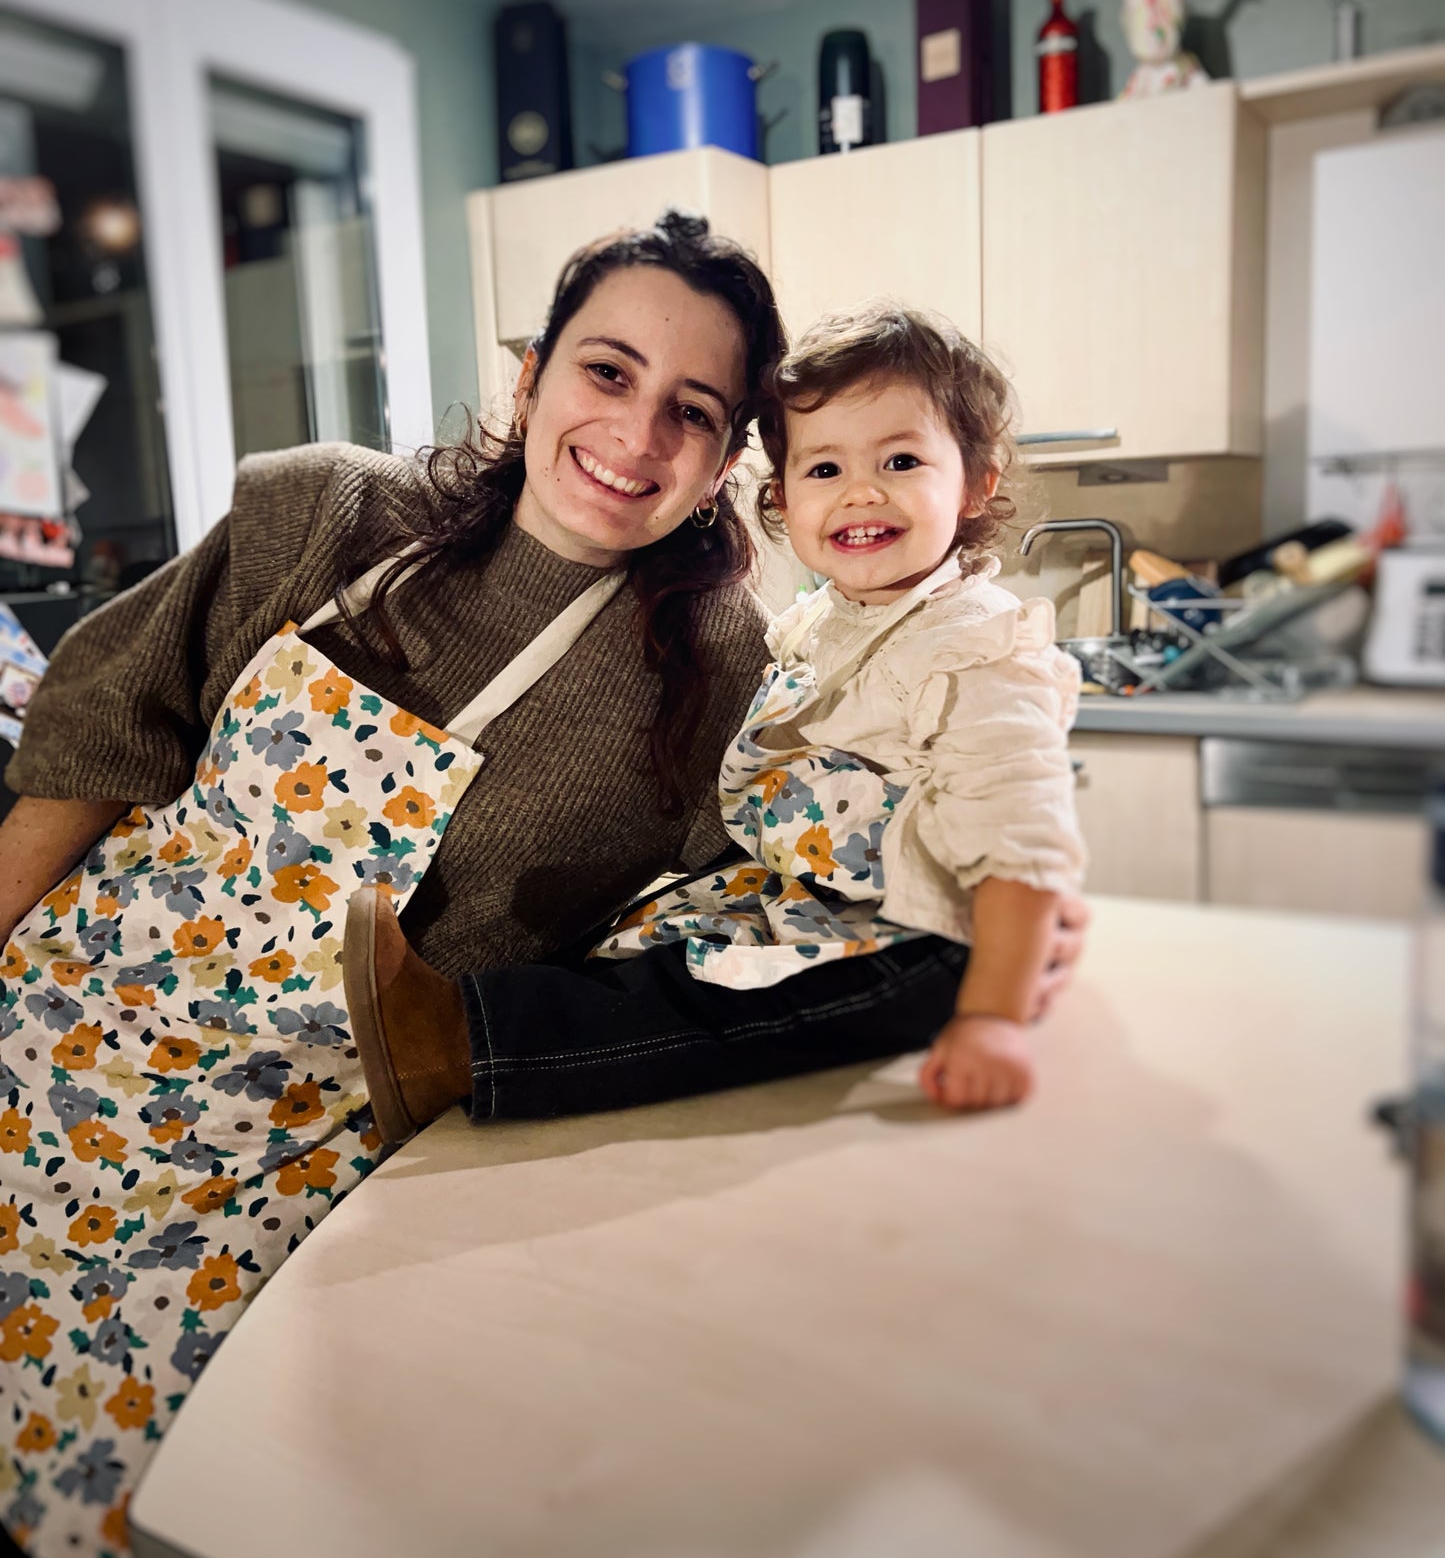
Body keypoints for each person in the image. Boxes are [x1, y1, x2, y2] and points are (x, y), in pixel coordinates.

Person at [0, 210, 786, 1558]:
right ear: (532, 372)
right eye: (606, 373)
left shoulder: (708, 666)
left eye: (693, 411)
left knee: (215, 1522)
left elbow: (713, 904)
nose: (636, 433)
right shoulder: (329, 513)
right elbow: (101, 730)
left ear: (725, 459)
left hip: (316, 1143)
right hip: (67, 1048)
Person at [346, 303, 1089, 1141]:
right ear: (778, 498)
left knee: (700, 1010)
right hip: (823, 905)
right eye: (822, 470)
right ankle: (472, 1026)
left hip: (924, 943)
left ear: (977, 481)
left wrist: (992, 1013)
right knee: (665, 948)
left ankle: (457, 1047)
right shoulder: (821, 622)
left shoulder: (978, 649)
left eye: (902, 459)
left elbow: (1022, 841)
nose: (861, 492)